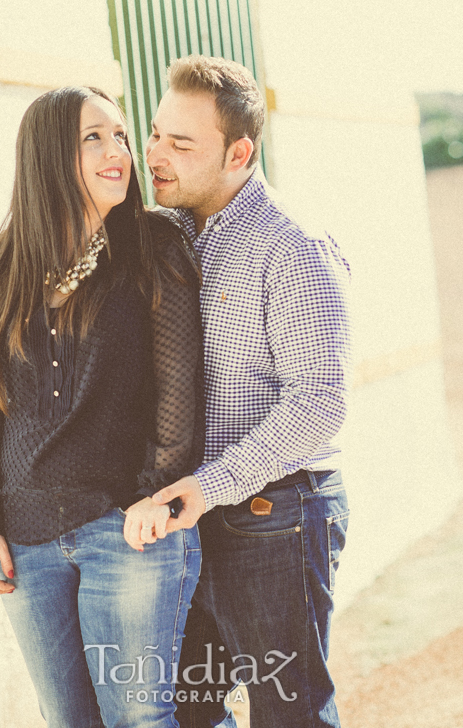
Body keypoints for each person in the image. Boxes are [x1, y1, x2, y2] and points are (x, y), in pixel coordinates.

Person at [0, 86, 204, 728]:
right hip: (26, 543)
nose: (119, 151)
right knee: (66, 719)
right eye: (95, 137)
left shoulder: (152, 250)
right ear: (47, 155)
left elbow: (179, 390)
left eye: (121, 136)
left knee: (139, 718)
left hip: (129, 529)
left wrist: (157, 495)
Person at [145, 56, 352, 728]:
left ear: (240, 151)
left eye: (181, 144)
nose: (155, 156)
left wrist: (209, 485)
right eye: (154, 134)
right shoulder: (167, 234)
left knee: (287, 713)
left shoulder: (293, 248)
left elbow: (318, 401)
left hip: (275, 516)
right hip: (186, 522)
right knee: (186, 711)